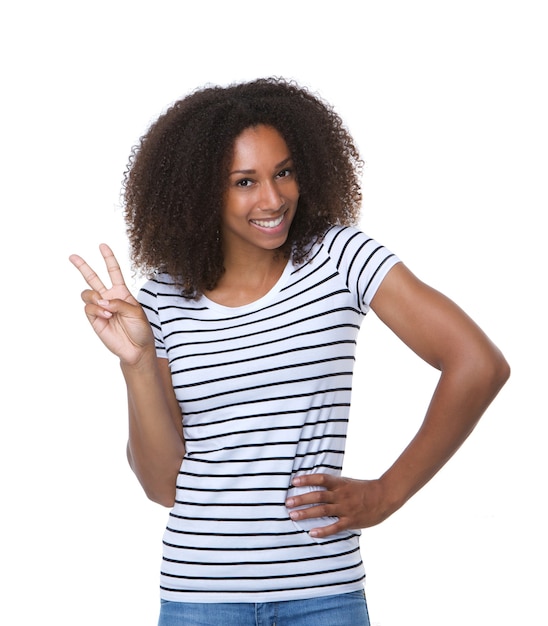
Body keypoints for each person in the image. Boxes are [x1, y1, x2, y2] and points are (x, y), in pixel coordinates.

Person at [70, 77, 510, 626]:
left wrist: (387, 494)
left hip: (324, 594)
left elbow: (478, 363)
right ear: (201, 191)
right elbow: (162, 484)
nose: (273, 199)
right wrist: (135, 365)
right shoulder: (163, 297)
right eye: (244, 182)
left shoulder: (341, 259)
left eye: (283, 172)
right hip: (200, 597)